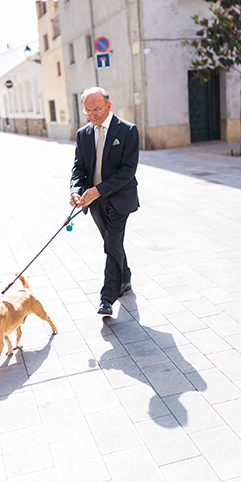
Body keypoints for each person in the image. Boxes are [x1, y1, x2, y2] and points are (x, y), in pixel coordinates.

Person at [70, 87, 139, 316]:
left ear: (108, 106)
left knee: (111, 244)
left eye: (96, 109)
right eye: (87, 111)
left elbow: (128, 170)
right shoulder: (83, 134)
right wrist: (75, 190)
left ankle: (107, 297)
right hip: (94, 201)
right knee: (113, 243)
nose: (92, 115)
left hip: (120, 198)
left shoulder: (128, 130)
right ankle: (125, 277)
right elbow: (79, 167)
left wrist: (99, 189)